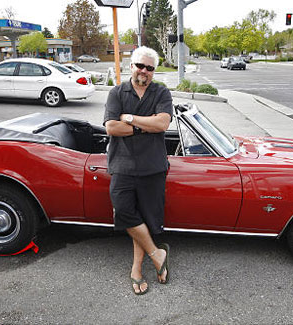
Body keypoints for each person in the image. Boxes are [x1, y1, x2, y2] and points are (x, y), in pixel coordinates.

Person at [103, 46, 173, 295]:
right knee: (125, 213)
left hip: (153, 167)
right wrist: (147, 124)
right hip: (122, 166)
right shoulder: (117, 92)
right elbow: (112, 127)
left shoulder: (161, 91)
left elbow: (163, 123)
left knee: (144, 218)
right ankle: (157, 254)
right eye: (139, 65)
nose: (144, 71)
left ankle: (136, 269)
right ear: (130, 65)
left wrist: (131, 119)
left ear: (154, 71)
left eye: (149, 67)